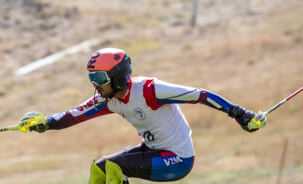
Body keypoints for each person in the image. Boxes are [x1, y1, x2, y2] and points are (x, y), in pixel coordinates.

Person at [20, 48, 263, 184]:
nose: (96, 86)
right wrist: (44, 123)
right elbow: (71, 116)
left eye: (99, 79)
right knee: (101, 169)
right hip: (152, 151)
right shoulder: (108, 99)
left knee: (116, 166)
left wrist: (240, 115)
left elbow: (199, 95)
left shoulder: (149, 90)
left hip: (177, 160)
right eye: (91, 79)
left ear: (117, 77)